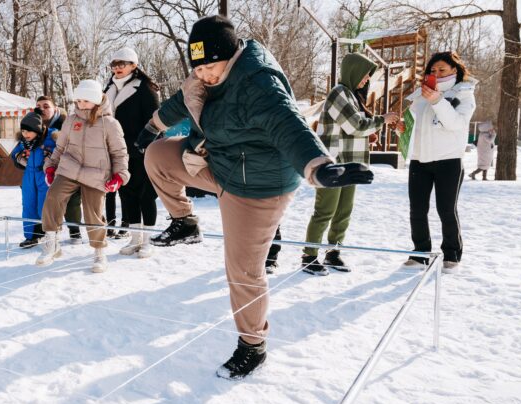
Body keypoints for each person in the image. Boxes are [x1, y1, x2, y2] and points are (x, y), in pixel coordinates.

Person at [136, 15, 374, 379]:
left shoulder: (257, 83)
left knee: (243, 271)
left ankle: (253, 345)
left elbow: (288, 124)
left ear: (230, 57)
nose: (205, 75)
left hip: (257, 188)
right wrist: (153, 127)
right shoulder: (205, 77)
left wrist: (319, 167)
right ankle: (185, 222)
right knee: (157, 156)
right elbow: (181, 101)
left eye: (211, 68)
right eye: (198, 68)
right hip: (224, 165)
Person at [302, 53, 399, 276]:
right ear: (353, 71)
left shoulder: (352, 96)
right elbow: (355, 125)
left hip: (350, 163)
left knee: (344, 211)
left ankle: (333, 252)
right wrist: (382, 120)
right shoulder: (339, 93)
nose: (366, 80)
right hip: (333, 165)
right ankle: (309, 255)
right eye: (365, 75)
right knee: (325, 211)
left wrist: (368, 136)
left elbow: (354, 130)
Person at [38, 80, 130, 273]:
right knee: (53, 196)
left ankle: (99, 252)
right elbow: (60, 147)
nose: (80, 105)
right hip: (69, 168)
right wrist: (51, 166)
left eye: (85, 101)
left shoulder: (110, 124)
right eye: (78, 101)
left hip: (96, 173)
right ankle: (52, 243)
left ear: (96, 100)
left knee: (93, 212)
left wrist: (120, 176)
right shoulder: (71, 120)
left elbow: (120, 153)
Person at [400, 51, 476, 272]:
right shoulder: (419, 94)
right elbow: (411, 123)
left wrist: (437, 100)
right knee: (417, 210)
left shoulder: (464, 93)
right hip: (419, 160)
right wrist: (401, 129)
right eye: (432, 70)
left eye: (442, 69)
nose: (436, 73)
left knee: (446, 210)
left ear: (455, 69)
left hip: (448, 161)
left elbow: (456, 124)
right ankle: (420, 254)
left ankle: (452, 255)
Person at [103, 47, 161, 258]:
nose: (117, 68)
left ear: (134, 65)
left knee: (145, 196)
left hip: (142, 151)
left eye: (122, 63)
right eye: (114, 64)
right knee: (127, 196)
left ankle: (147, 240)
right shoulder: (108, 88)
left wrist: (142, 146)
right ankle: (134, 238)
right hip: (117, 152)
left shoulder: (146, 88)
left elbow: (156, 122)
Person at [36, 96, 83, 244]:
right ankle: (47, 231)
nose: (42, 109)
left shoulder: (66, 124)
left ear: (55, 109)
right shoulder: (33, 125)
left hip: (67, 168)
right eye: (38, 106)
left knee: (72, 200)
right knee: (45, 201)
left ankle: (74, 230)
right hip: (41, 171)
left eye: (46, 106)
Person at [11, 110, 56, 248]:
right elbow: (14, 153)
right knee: (28, 204)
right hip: (29, 176)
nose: (25, 135)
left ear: (37, 129)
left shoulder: (51, 138)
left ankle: (50, 235)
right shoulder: (24, 141)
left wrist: (51, 158)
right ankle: (31, 236)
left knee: (44, 205)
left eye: (28, 131)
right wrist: (20, 159)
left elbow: (62, 152)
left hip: (44, 175)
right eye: (23, 131)